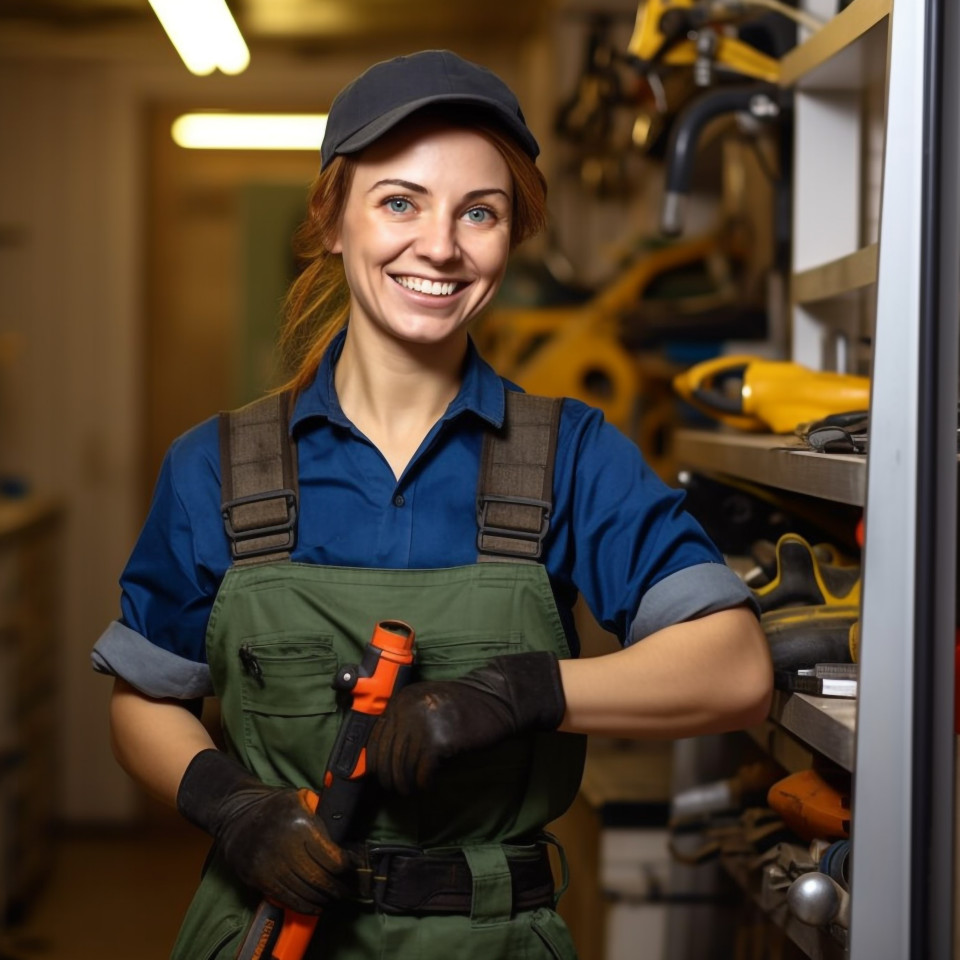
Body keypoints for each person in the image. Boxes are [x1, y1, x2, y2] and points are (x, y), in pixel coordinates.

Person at [92, 49, 772, 960]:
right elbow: (144, 698)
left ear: (510, 236)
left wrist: (522, 691)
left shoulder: (567, 456)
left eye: (479, 213)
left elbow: (733, 670)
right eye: (400, 201)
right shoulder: (217, 467)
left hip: (493, 936)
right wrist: (234, 806)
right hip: (267, 930)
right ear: (334, 220)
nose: (441, 246)